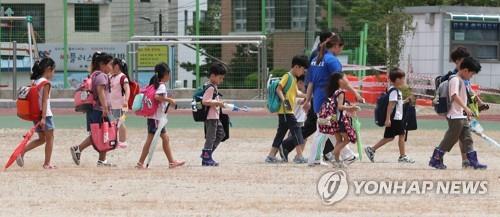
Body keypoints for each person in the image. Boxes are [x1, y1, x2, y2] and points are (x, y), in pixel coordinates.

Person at [280, 32, 338, 162]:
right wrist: (308, 98)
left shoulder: (328, 55)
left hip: (326, 96)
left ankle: (327, 152)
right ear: (326, 41)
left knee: (322, 124)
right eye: (333, 39)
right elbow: (311, 78)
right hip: (319, 96)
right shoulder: (317, 55)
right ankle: (287, 145)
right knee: (319, 124)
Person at [305, 33, 362, 166]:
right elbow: (342, 80)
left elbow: (311, 82)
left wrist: (308, 99)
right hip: (328, 101)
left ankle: (347, 155)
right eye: (341, 48)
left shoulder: (316, 60)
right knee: (323, 130)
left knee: (329, 128)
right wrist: (356, 94)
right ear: (336, 46)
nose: (341, 51)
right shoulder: (332, 61)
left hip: (318, 99)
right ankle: (314, 160)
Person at [428, 57, 487, 170]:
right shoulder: (455, 79)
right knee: (450, 138)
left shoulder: (462, 80)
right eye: (472, 74)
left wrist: (467, 109)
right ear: (465, 70)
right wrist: (466, 108)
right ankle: (435, 159)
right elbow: (454, 95)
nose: (471, 76)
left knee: (467, 138)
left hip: (461, 115)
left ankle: (473, 161)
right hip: (455, 116)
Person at [70, 52, 116, 167]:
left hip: (95, 109)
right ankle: (78, 149)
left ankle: (102, 160)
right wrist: (105, 108)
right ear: (102, 64)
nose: (111, 67)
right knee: (101, 133)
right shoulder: (101, 76)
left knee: (104, 133)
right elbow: (101, 92)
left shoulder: (94, 75)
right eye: (110, 64)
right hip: (99, 109)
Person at [136, 63, 185, 169]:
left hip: (154, 117)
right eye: (169, 74)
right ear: (165, 74)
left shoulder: (154, 84)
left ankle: (171, 162)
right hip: (156, 118)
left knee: (164, 138)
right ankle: (141, 163)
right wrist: (169, 100)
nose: (169, 76)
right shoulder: (161, 85)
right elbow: (157, 97)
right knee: (152, 140)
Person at [448, 47, 489, 168]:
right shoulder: (454, 76)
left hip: (464, 109)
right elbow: (453, 94)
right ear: (457, 61)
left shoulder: (465, 75)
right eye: (463, 60)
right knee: (460, 136)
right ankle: (465, 160)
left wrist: (479, 102)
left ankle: (467, 161)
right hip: (457, 110)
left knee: (464, 136)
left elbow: (469, 91)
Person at [364, 68, 415, 163]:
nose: (404, 81)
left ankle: (371, 149)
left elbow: (397, 104)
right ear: (398, 80)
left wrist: (405, 101)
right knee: (401, 135)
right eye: (403, 78)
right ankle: (402, 156)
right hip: (395, 118)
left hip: (395, 117)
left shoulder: (394, 91)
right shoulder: (394, 91)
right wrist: (388, 119)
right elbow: (390, 105)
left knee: (389, 137)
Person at [265, 55, 309, 164]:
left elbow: (296, 93)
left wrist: (306, 96)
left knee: (281, 133)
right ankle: (299, 156)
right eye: (303, 69)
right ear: (297, 67)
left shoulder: (293, 78)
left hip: (286, 111)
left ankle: (271, 156)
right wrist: (284, 101)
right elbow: (278, 89)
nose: (303, 72)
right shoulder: (288, 76)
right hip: (286, 111)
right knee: (297, 131)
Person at [16, 58, 57, 169]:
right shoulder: (46, 83)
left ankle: (22, 152)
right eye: (53, 71)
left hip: (36, 115)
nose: (53, 73)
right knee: (50, 138)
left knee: (42, 139)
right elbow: (44, 101)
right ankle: (47, 163)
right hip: (45, 115)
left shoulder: (36, 81)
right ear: (48, 69)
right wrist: (44, 118)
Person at [318, 73, 360, 168]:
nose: (346, 80)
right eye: (344, 78)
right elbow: (340, 107)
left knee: (338, 140)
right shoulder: (340, 92)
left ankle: (337, 161)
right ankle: (332, 154)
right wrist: (351, 107)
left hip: (334, 119)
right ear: (340, 81)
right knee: (347, 139)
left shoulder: (333, 92)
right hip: (340, 120)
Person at [201, 63, 227, 166]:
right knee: (211, 137)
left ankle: (207, 154)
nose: (221, 80)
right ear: (212, 76)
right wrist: (217, 103)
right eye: (220, 78)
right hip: (211, 117)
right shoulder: (210, 87)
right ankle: (206, 158)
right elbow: (205, 101)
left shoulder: (213, 87)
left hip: (215, 116)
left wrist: (219, 102)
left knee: (221, 134)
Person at [110, 58, 130, 147]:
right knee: (114, 123)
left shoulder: (122, 77)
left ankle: (123, 141)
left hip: (122, 105)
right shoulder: (111, 76)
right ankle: (115, 140)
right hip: (112, 105)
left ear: (117, 66)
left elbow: (127, 89)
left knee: (121, 122)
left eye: (112, 65)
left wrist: (126, 101)